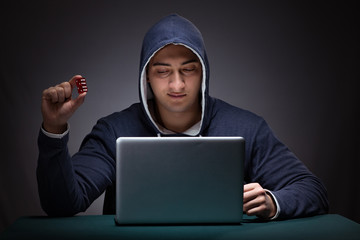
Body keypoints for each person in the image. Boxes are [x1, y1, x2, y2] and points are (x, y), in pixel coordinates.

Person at [37, 14, 329, 220]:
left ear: (203, 73)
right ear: (146, 77)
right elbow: (62, 204)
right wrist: (54, 127)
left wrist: (272, 201)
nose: (177, 85)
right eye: (163, 71)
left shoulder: (247, 128)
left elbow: (313, 190)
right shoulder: (114, 130)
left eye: (189, 70)